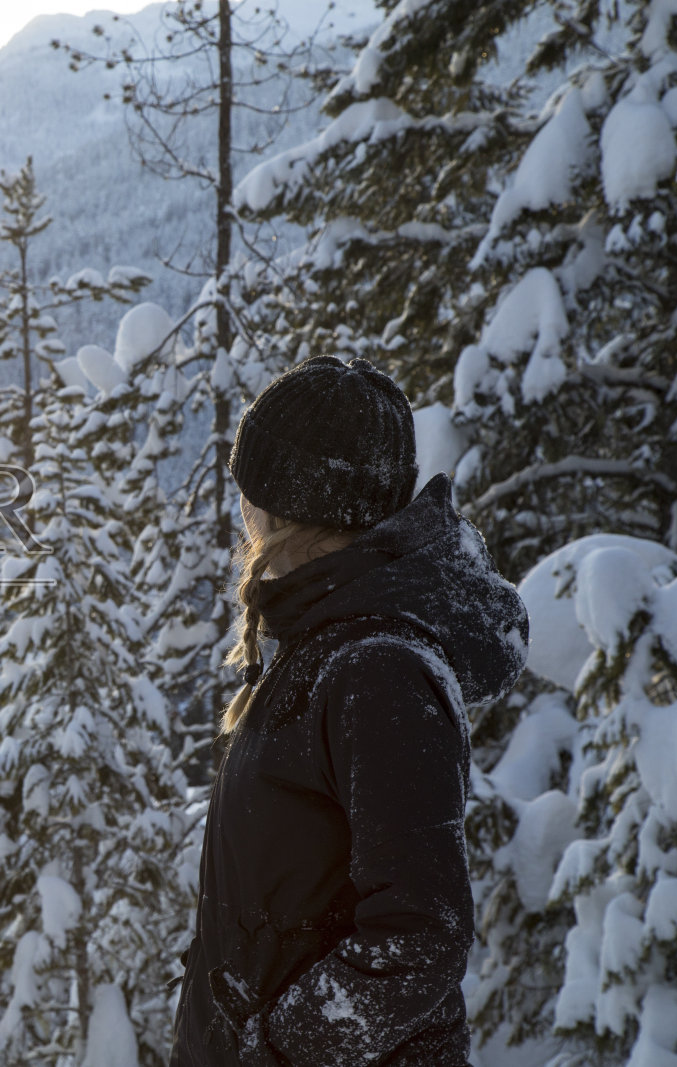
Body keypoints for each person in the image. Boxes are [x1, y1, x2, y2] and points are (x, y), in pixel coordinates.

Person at [168, 355, 529, 1066]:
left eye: (252, 493)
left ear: (290, 505)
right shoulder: (323, 643)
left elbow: (421, 936)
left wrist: (271, 1051)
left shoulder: (375, 671)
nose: (242, 512)